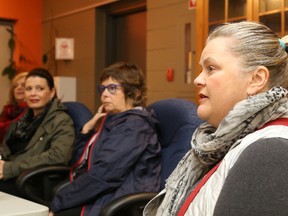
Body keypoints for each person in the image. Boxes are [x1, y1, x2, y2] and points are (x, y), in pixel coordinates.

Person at [143, 21, 288, 216]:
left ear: (256, 79)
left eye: (211, 68)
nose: (197, 79)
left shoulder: (270, 152)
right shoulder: (225, 142)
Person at [49, 62, 161, 216]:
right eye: (102, 89)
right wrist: (87, 130)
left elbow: (104, 175)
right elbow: (80, 163)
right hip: (104, 194)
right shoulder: (114, 120)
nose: (104, 95)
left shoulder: (134, 126)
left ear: (135, 94)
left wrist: (59, 202)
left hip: (120, 203)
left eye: (112, 88)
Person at [0, 68, 75, 196]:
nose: (33, 94)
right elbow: (6, 149)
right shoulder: (21, 120)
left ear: (51, 92)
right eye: (28, 89)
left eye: (39, 89)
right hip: (11, 176)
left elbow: (58, 156)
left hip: (31, 182)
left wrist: (9, 168)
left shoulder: (61, 120)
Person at [0, 72, 28, 143]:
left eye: (23, 85)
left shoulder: (33, 111)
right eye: (15, 86)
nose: (19, 88)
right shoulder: (7, 111)